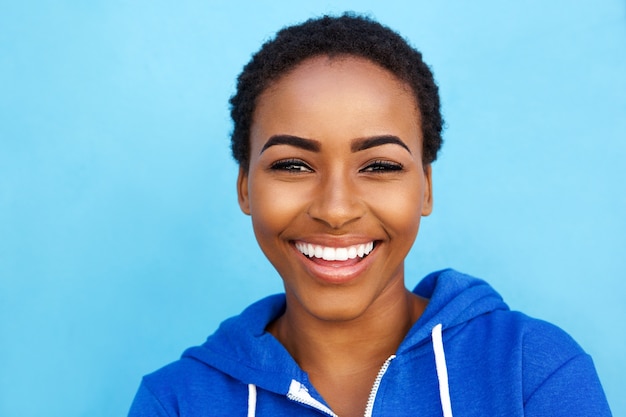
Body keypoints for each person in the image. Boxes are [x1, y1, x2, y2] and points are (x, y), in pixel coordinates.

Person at [128, 14, 611, 417]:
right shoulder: (175, 402)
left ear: (425, 187)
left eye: (379, 166)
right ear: (244, 188)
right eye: (292, 165)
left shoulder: (532, 370)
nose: (336, 210)